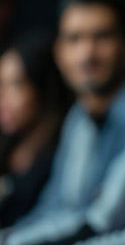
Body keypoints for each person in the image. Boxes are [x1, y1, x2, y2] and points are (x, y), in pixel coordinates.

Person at [0, 0, 125, 245]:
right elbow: (54, 208)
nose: (86, 53)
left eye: (102, 37)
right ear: (59, 52)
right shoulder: (78, 119)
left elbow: (96, 222)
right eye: (74, 39)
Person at [0, 30, 71, 227]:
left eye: (16, 84)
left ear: (41, 87)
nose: (3, 98)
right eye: (0, 85)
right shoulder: (8, 147)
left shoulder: (65, 149)